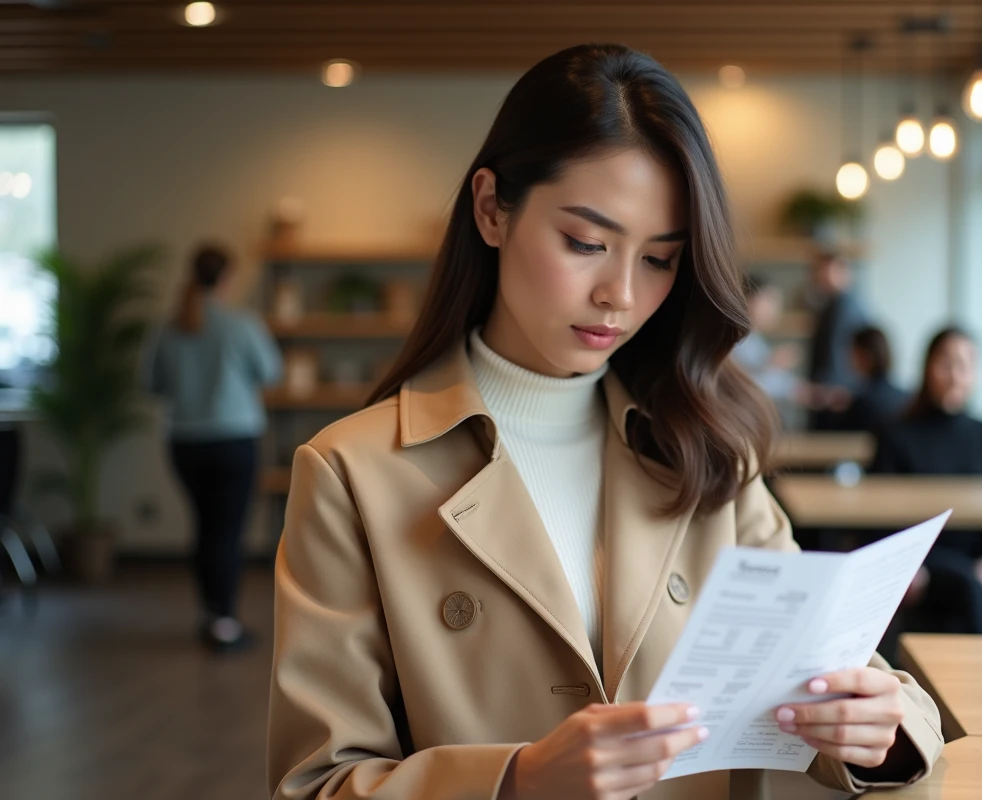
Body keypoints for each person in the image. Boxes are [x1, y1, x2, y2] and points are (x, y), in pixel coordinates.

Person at [267, 45, 942, 800]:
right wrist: (515, 781)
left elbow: (838, 674)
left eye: (659, 260)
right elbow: (315, 785)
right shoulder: (351, 474)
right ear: (492, 209)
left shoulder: (705, 447)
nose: (619, 293)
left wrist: (878, 730)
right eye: (586, 243)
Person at [145, 244, 282, 653]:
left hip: (185, 442)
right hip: (234, 441)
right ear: (227, 278)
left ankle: (212, 614)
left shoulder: (168, 328)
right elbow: (272, 373)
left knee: (205, 528)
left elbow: (151, 384)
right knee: (226, 532)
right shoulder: (242, 325)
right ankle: (223, 623)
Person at [871, 326, 982, 634]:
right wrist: (909, 565)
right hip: (922, 558)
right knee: (966, 585)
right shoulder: (896, 433)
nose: (954, 376)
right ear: (927, 368)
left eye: (965, 366)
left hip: (978, 555)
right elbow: (878, 513)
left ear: (976, 374)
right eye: (945, 364)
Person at [806, 249, 867, 431]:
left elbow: (836, 352)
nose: (821, 276)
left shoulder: (845, 306)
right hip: (833, 391)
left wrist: (828, 389)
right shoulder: (835, 304)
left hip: (834, 394)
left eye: (828, 270)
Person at [730, 274, 801, 424]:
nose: (774, 309)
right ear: (750, 299)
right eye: (769, 301)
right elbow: (735, 381)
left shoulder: (754, 338)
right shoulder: (734, 336)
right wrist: (771, 364)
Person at [835, 326, 908, 433]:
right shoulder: (906, 397)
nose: (848, 359)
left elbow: (837, 437)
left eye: (853, 353)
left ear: (865, 357)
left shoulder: (863, 404)